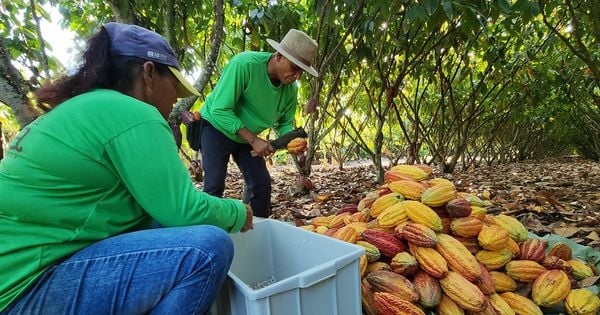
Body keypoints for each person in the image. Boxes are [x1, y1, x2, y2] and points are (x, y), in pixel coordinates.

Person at [0, 22, 253, 314]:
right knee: (208, 249)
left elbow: (155, 209)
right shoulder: (134, 112)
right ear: (148, 72)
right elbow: (183, 209)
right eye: (173, 85)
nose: (174, 98)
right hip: (25, 290)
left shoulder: (82, 108)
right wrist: (238, 211)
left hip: (24, 273)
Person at [198, 29, 318, 218]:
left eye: (301, 72)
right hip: (216, 127)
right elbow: (220, 110)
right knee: (214, 185)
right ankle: (208, 235)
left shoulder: (290, 89)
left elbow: (284, 123)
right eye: (294, 68)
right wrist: (254, 140)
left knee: (261, 184)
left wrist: (290, 141)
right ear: (279, 56)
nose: (297, 76)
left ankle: (256, 229)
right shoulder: (245, 64)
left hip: (246, 138)